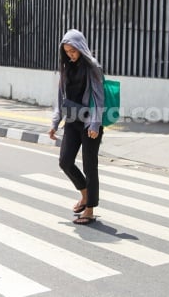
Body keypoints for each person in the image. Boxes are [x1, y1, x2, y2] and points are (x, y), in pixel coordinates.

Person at [48, 29, 105, 225]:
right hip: (72, 121)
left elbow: (98, 98)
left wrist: (95, 124)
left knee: (90, 166)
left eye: (73, 50)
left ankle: (89, 209)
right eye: (67, 51)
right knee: (65, 161)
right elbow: (60, 98)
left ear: (81, 47)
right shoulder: (65, 67)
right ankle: (85, 193)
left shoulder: (92, 67)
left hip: (89, 123)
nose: (70, 54)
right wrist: (55, 123)